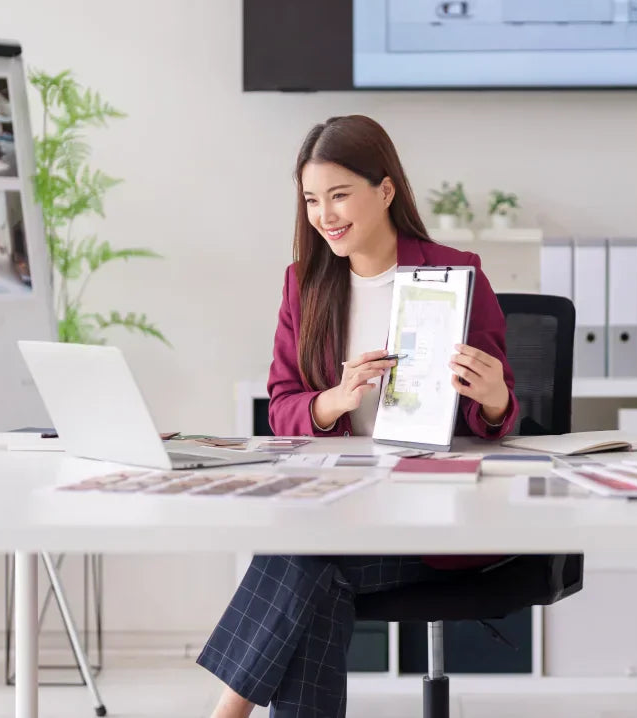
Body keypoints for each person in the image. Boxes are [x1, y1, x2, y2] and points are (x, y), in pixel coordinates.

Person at [198, 115, 520, 718]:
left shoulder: (456, 273)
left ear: (386, 190)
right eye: (312, 200)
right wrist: (335, 400)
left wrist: (496, 395)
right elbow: (283, 404)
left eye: (340, 195)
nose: (325, 215)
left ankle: (225, 713)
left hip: (432, 514)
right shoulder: (306, 284)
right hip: (345, 504)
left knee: (305, 552)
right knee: (313, 565)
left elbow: (496, 414)